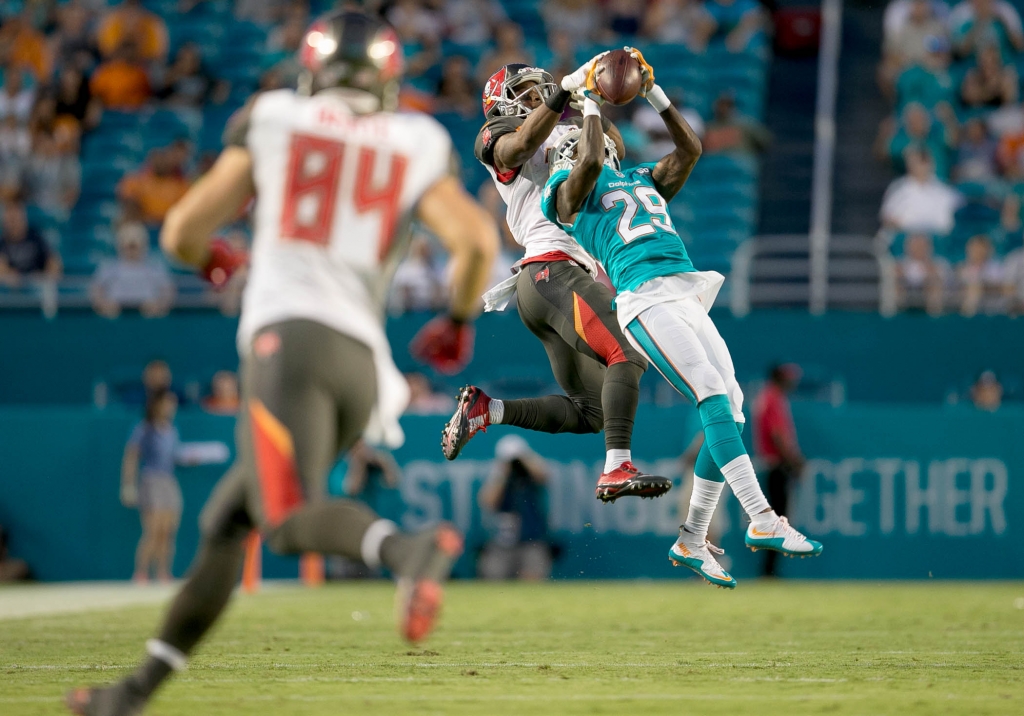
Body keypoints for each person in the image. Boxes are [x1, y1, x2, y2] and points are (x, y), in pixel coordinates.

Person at [67, 10, 499, 715]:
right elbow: (477, 242)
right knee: (228, 522)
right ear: (387, 77)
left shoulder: (274, 116)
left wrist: (215, 259)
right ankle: (135, 692)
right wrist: (454, 323)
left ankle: (409, 552)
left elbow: (181, 230)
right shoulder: (416, 138)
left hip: (288, 347)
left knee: (289, 520)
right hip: (360, 365)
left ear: (313, 68)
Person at [539, 49, 823, 589]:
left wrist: (653, 92)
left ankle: (693, 538)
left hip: (687, 295)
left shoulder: (642, 176)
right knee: (712, 395)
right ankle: (763, 519)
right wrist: (594, 104)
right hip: (644, 300)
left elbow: (690, 148)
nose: (576, 147)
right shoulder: (564, 194)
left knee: (734, 413)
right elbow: (591, 164)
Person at [440, 57, 671, 504]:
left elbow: (615, 145)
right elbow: (518, 148)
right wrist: (564, 94)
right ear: (501, 104)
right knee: (628, 349)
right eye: (525, 93)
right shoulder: (496, 135)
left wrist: (592, 96)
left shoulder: (571, 126)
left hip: (552, 282)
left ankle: (489, 410)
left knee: (592, 412)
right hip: (551, 267)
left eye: (539, 90)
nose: (536, 98)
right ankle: (617, 468)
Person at [121, 390, 184, 584]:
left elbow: (175, 457)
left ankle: (164, 572)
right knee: (153, 530)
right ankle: (140, 573)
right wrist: (128, 485)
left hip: (169, 481)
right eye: (167, 403)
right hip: (151, 480)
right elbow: (131, 457)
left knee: (168, 530)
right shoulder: (144, 429)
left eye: (173, 403)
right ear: (157, 405)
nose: (171, 407)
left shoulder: (172, 431)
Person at [752, 364, 806, 578]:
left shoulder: (767, 397)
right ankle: (769, 571)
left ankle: (770, 570)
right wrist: (794, 461)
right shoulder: (773, 398)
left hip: (772, 465)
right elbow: (777, 435)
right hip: (776, 466)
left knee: (774, 519)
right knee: (777, 520)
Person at [477, 435, 552, 580]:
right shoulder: (499, 477)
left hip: (532, 539)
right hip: (501, 541)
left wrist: (525, 459)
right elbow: (487, 501)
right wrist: (502, 473)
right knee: (493, 578)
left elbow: (545, 476)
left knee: (532, 580)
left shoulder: (531, 476)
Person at [89, 222, 176, 318]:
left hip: (149, 318)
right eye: (128, 246)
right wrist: (104, 305)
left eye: (134, 246)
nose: (131, 250)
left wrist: (159, 305)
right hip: (115, 318)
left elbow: (168, 291)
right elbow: (96, 290)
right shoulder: (108, 266)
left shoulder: (155, 266)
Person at [0, 199, 62, 287]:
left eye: (16, 218)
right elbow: (2, 268)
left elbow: (53, 262)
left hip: (37, 287)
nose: (14, 224)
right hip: (12, 291)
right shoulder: (2, 243)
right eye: (10, 220)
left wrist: (46, 277)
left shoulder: (36, 237)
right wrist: (7, 274)